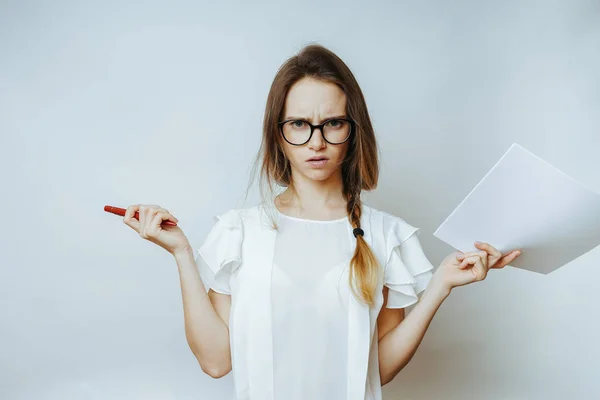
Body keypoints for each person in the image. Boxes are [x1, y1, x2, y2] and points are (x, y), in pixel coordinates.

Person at [122, 44, 522, 400]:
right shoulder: (239, 232)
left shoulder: (386, 236)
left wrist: (440, 285)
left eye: (332, 123)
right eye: (299, 124)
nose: (316, 141)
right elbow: (215, 362)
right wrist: (182, 255)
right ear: (277, 134)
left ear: (352, 130)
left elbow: (376, 372)